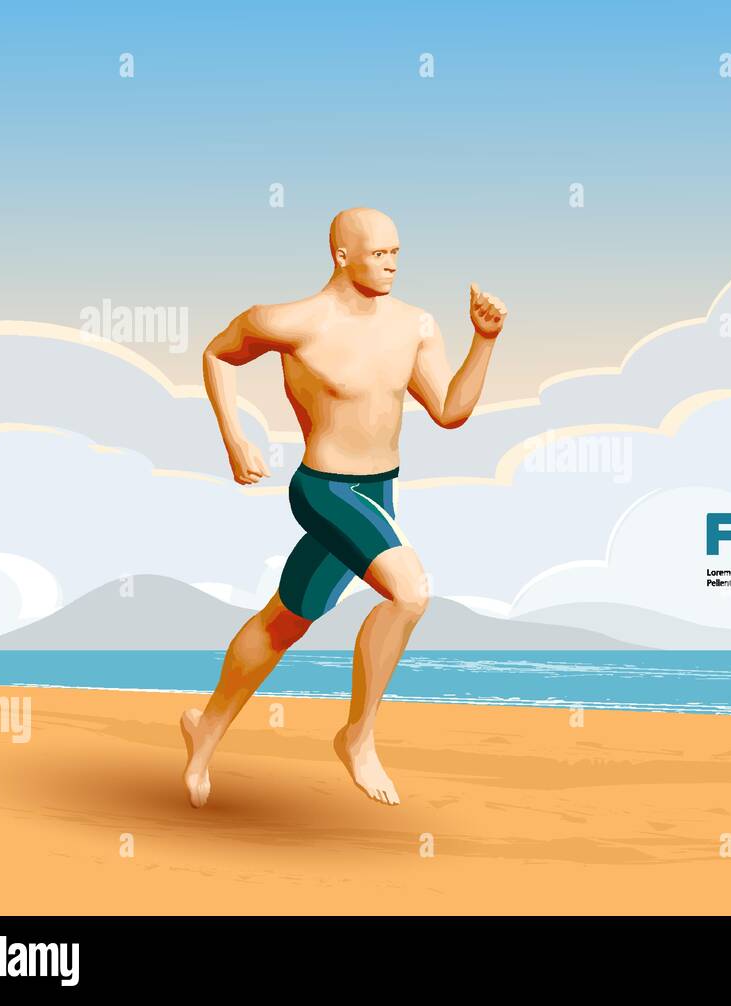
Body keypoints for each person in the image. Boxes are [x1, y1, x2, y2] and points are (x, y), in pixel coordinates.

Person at [180, 207, 507, 808]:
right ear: (341, 255)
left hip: (380, 490)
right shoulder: (289, 321)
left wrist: (484, 340)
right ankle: (357, 737)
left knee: (286, 620)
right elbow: (218, 355)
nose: (392, 264)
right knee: (410, 593)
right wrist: (235, 437)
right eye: (380, 253)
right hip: (324, 490)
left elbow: (450, 412)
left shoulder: (415, 325)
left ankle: (204, 728)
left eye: (397, 253)